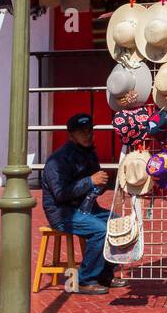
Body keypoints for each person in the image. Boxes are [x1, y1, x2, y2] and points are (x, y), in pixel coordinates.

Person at [40, 113, 122, 294]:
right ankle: (85, 279)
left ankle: (104, 274)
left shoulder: (89, 152)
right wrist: (91, 181)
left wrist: (99, 185)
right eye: (82, 132)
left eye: (89, 131)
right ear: (71, 135)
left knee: (119, 224)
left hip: (86, 207)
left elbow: (94, 182)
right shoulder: (58, 160)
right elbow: (61, 194)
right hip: (62, 213)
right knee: (101, 230)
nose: (87, 135)